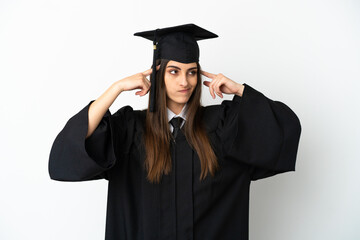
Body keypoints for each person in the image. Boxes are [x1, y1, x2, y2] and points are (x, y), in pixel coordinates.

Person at [49, 24, 301, 240]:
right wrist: (115, 89)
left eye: (192, 72)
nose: (185, 82)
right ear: (157, 73)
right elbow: (72, 148)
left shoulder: (221, 125)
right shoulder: (130, 128)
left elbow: (284, 129)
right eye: (174, 71)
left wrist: (240, 90)